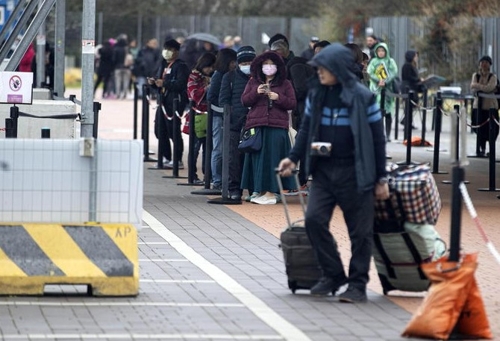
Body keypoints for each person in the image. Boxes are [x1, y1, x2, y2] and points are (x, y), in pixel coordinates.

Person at [278, 43, 389, 303]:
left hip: (356, 173)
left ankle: (357, 285)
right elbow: (305, 130)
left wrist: (381, 178)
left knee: (360, 233)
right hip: (324, 172)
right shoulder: (317, 96)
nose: (319, 72)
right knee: (315, 221)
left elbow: (377, 140)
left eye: (324, 68)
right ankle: (333, 274)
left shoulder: (364, 97)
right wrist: (293, 158)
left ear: (338, 68)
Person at [241, 50, 297, 204]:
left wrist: (278, 98)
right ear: (260, 66)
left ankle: (272, 192)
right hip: (257, 126)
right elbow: (244, 101)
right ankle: (258, 190)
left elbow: (292, 103)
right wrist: (256, 93)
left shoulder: (286, 83)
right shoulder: (253, 82)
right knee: (258, 159)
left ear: (278, 67)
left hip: (277, 126)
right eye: (266, 64)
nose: (269, 67)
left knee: (273, 158)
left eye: (272, 64)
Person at [270, 35, 316, 194]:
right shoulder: (294, 64)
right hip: (301, 111)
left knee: (302, 143)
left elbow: (300, 89)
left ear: (279, 54)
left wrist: (286, 99)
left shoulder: (295, 66)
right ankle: (300, 180)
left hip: (302, 111)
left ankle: (302, 181)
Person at [219, 45, 257, 200]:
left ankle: (254, 188)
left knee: (252, 157)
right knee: (233, 158)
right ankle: (234, 189)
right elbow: (223, 100)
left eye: (250, 62)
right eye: (243, 62)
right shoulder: (229, 77)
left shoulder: (258, 78)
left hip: (254, 124)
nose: (247, 66)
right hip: (234, 124)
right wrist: (231, 115)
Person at [149, 38, 190, 169]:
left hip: (175, 101)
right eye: (166, 49)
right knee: (159, 130)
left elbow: (181, 84)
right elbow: (159, 80)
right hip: (162, 101)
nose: (167, 52)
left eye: (171, 50)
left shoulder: (181, 66)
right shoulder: (162, 64)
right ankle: (166, 157)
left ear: (177, 52)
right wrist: (154, 83)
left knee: (173, 131)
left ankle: (177, 160)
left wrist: (165, 83)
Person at [207, 48, 237, 190]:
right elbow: (211, 97)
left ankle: (224, 180)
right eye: (232, 62)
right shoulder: (218, 75)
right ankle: (217, 180)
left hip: (228, 116)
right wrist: (223, 107)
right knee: (218, 148)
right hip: (219, 116)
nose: (234, 65)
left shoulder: (232, 75)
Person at [187, 52, 217, 183]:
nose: (210, 70)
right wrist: (208, 87)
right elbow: (195, 95)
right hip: (197, 115)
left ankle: (208, 176)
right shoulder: (194, 76)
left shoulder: (211, 77)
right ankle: (192, 175)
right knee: (195, 147)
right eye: (208, 67)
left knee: (208, 148)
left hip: (209, 115)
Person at [366, 42, 398, 140]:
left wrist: (386, 81)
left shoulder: (390, 61)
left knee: (388, 112)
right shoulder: (374, 61)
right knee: (377, 112)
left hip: (387, 89)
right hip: (376, 89)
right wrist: (378, 80)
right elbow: (369, 72)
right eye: (379, 51)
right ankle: (377, 133)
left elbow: (394, 72)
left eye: (382, 50)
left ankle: (387, 134)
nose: (380, 53)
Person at [471, 55, 499, 157]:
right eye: (482, 62)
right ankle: (481, 149)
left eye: (486, 62)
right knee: (479, 128)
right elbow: (472, 87)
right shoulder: (476, 76)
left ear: (490, 65)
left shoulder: (493, 77)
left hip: (490, 107)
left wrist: (479, 87)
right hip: (478, 107)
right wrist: (485, 88)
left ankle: (491, 150)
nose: (484, 64)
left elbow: (489, 87)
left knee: (492, 130)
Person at [401, 50, 425, 129]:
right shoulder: (407, 66)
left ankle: (408, 122)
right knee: (409, 106)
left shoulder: (413, 66)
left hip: (412, 87)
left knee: (412, 106)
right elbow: (408, 77)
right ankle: (407, 121)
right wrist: (418, 79)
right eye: (415, 56)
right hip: (408, 87)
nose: (416, 58)